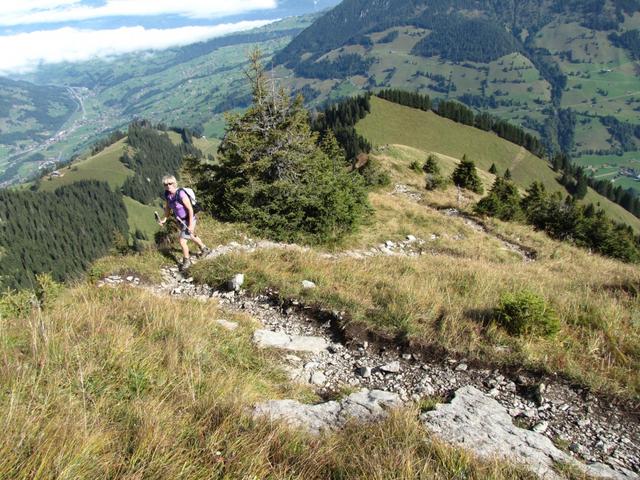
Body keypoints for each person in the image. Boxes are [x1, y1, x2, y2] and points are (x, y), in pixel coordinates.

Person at [157, 175, 210, 270]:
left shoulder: (180, 194)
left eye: (170, 183)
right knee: (191, 236)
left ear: (174, 183)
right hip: (180, 220)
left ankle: (186, 261)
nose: (168, 186)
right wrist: (164, 220)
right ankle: (205, 249)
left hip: (189, 219)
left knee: (182, 241)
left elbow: (190, 209)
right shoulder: (167, 195)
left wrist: (190, 225)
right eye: (165, 184)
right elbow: (168, 209)